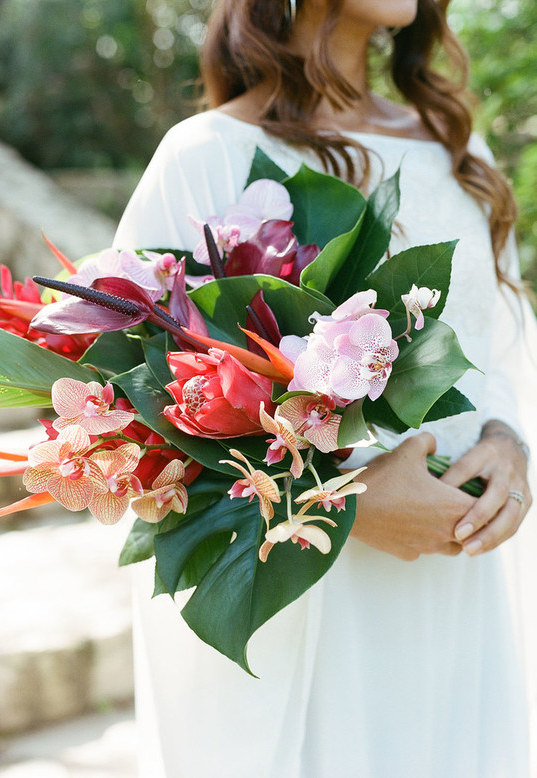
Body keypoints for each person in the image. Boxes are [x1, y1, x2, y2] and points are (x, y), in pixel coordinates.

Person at [113, 1, 535, 776]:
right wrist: (347, 504)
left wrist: (509, 446)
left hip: (456, 584)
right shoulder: (206, 156)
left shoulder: (456, 148)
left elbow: (501, 349)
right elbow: (142, 420)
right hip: (309, 604)